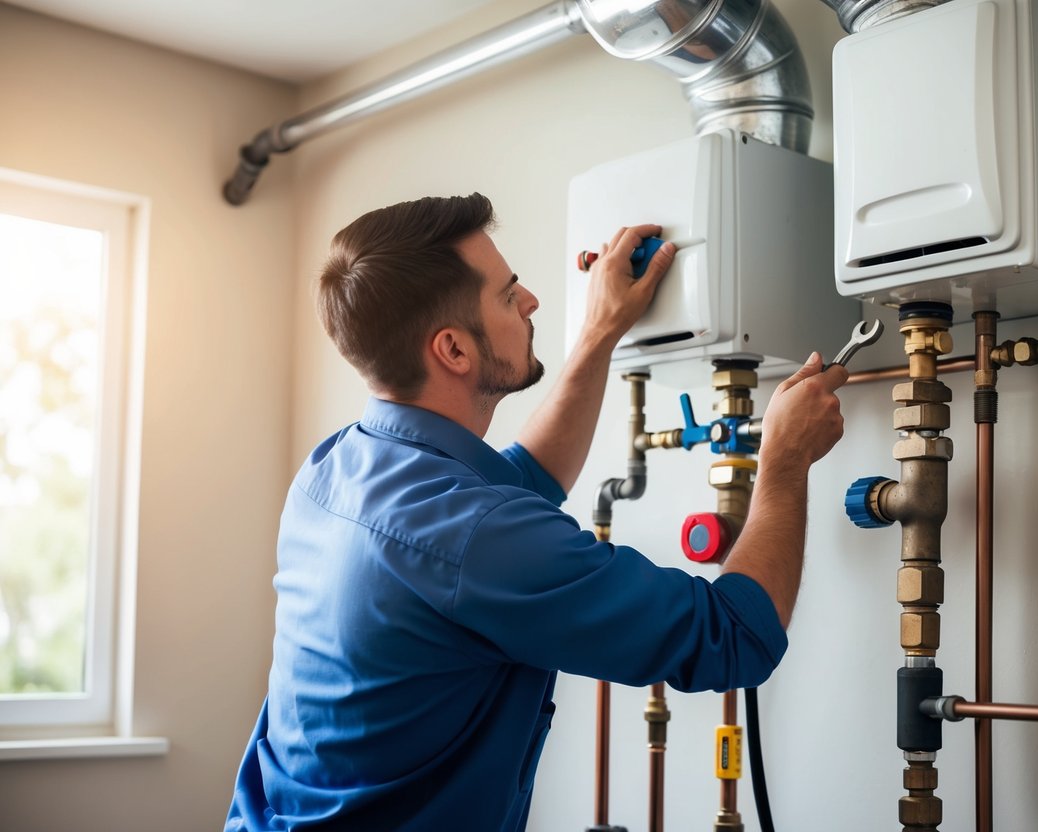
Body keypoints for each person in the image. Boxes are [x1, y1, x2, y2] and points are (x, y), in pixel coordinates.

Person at [225, 193, 847, 831]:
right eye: (507, 293)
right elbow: (735, 637)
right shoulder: (474, 535)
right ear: (454, 352)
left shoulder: (334, 469)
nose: (531, 301)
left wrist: (601, 332)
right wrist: (784, 462)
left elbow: (526, 479)